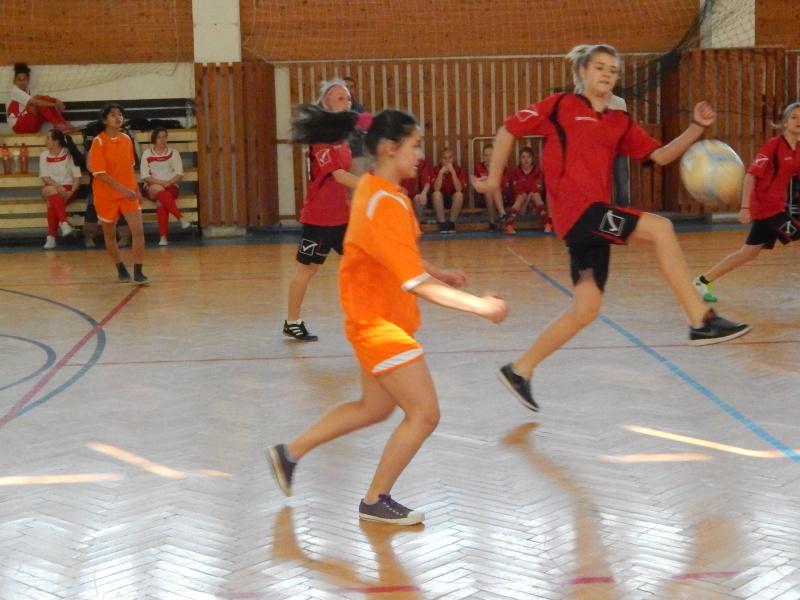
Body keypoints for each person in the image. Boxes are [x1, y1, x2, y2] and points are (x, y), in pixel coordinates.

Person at [472, 43, 752, 412]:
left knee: (586, 308)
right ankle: (700, 319)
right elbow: (509, 129)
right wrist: (494, 179)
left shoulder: (619, 121)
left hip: (592, 219)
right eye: (600, 67)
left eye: (614, 70)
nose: (607, 74)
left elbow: (660, 155)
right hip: (579, 212)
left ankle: (519, 369)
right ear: (582, 72)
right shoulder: (560, 105)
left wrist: (696, 128)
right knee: (661, 229)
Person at [267, 107, 507, 525]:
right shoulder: (385, 199)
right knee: (425, 414)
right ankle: (375, 500)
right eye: (415, 146)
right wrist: (480, 306)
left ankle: (288, 454)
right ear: (390, 148)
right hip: (379, 327)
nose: (420, 154)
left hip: (375, 321)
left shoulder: (376, 189)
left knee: (373, 409)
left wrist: (438, 272)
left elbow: (395, 254)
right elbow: (414, 283)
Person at [694, 103, 800, 302]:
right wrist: (745, 207)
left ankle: (703, 280)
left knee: (748, 252)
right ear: (785, 122)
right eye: (794, 117)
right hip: (766, 208)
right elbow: (751, 175)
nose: (798, 121)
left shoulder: (798, 149)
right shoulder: (773, 145)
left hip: (778, 207)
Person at [284, 79, 361, 341]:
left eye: (348, 99)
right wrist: (372, 186)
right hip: (319, 218)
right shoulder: (320, 140)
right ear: (326, 103)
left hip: (342, 217)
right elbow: (338, 175)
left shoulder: (341, 138)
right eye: (340, 98)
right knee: (308, 269)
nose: (346, 103)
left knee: (361, 264)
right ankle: (292, 321)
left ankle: (367, 317)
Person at [88, 104, 148, 284]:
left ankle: (138, 270)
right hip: (106, 195)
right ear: (104, 120)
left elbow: (130, 169)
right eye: (113, 115)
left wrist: (136, 190)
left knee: (138, 230)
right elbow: (101, 174)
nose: (118, 117)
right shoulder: (98, 142)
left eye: (120, 114)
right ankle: (120, 267)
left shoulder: (127, 140)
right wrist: (124, 190)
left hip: (128, 193)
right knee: (109, 234)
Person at [140, 127, 191, 246]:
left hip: (171, 186)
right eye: (159, 137)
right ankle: (180, 218)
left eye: (164, 137)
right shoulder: (147, 154)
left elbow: (179, 174)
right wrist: (161, 183)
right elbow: (145, 176)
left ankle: (163, 238)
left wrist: (169, 182)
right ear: (154, 139)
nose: (162, 140)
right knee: (158, 189)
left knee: (161, 201)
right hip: (153, 185)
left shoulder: (174, 153)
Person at [39, 130, 82, 249]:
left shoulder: (69, 154)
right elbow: (45, 177)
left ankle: (51, 238)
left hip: (68, 189)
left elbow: (77, 177)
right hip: (50, 186)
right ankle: (64, 223)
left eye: (48, 138)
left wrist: (71, 191)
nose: (46, 141)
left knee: (51, 202)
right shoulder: (44, 155)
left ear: (56, 141)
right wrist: (58, 186)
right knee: (51, 190)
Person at [7, 63, 77, 134]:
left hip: (34, 127)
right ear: (14, 81)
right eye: (19, 80)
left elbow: (45, 98)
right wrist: (53, 104)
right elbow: (36, 102)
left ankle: (63, 124)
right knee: (38, 101)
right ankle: (58, 125)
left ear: (28, 80)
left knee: (44, 99)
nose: (22, 82)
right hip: (19, 126)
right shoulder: (15, 91)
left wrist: (56, 100)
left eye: (24, 79)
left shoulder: (31, 91)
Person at [505, 147, 550, 235]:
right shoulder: (515, 171)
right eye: (523, 157)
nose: (526, 159)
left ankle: (547, 224)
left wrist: (525, 206)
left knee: (536, 195)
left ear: (532, 158)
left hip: (532, 196)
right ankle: (509, 225)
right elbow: (519, 190)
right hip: (521, 196)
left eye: (528, 157)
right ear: (520, 159)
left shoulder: (537, 170)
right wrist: (525, 204)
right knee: (519, 199)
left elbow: (534, 190)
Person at [431, 148, 467, 233]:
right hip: (440, 200)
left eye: (450, 158)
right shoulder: (435, 170)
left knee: (459, 194)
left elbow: (459, 189)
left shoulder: (458, 170)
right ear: (440, 159)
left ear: (454, 158)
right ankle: (442, 223)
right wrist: (441, 173)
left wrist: (453, 173)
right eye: (444, 158)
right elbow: (436, 188)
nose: (447, 161)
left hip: (453, 199)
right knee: (436, 194)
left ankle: (451, 223)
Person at [474, 145, 506, 232]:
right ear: (483, 156)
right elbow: (477, 186)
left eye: (491, 155)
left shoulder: (501, 167)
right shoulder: (478, 168)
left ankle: (495, 220)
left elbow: (503, 186)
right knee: (488, 190)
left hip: (501, 196)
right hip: (483, 197)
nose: (488, 158)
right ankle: (501, 214)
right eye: (486, 155)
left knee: (494, 187)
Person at [607, 93, 631, 207]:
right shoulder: (591, 101)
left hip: (618, 148)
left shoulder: (619, 102)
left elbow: (623, 124)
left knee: (622, 185)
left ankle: (623, 211)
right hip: (599, 150)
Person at [343, 76, 369, 177]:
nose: (349, 90)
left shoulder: (359, 109)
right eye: (346, 87)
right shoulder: (334, 108)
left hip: (356, 153)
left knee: (358, 184)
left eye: (352, 87)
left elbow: (363, 130)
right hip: (340, 155)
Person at [400, 158, 431, 225]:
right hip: (400, 193)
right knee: (400, 197)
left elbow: (427, 182)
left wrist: (424, 193)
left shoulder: (420, 163)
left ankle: (417, 224)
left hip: (415, 195)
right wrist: (398, 188)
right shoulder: (397, 161)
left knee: (419, 198)